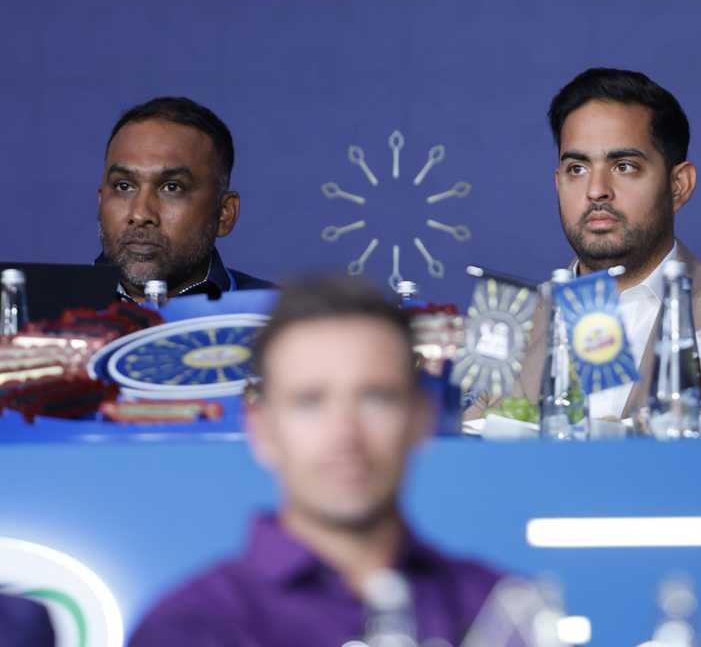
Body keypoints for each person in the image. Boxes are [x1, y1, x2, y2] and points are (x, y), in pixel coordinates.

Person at [129, 277, 503, 646]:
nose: (345, 434)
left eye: (376, 398)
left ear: (422, 419)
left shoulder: (495, 613)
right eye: (309, 401)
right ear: (262, 429)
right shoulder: (191, 629)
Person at [495, 68, 701, 420]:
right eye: (577, 169)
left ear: (679, 185)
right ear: (558, 182)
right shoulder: (509, 323)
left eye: (624, 166)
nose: (596, 190)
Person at [96, 96, 272, 303]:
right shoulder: (51, 310)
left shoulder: (275, 321)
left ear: (225, 213)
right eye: (123, 186)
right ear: (101, 201)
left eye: (172, 187)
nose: (140, 213)